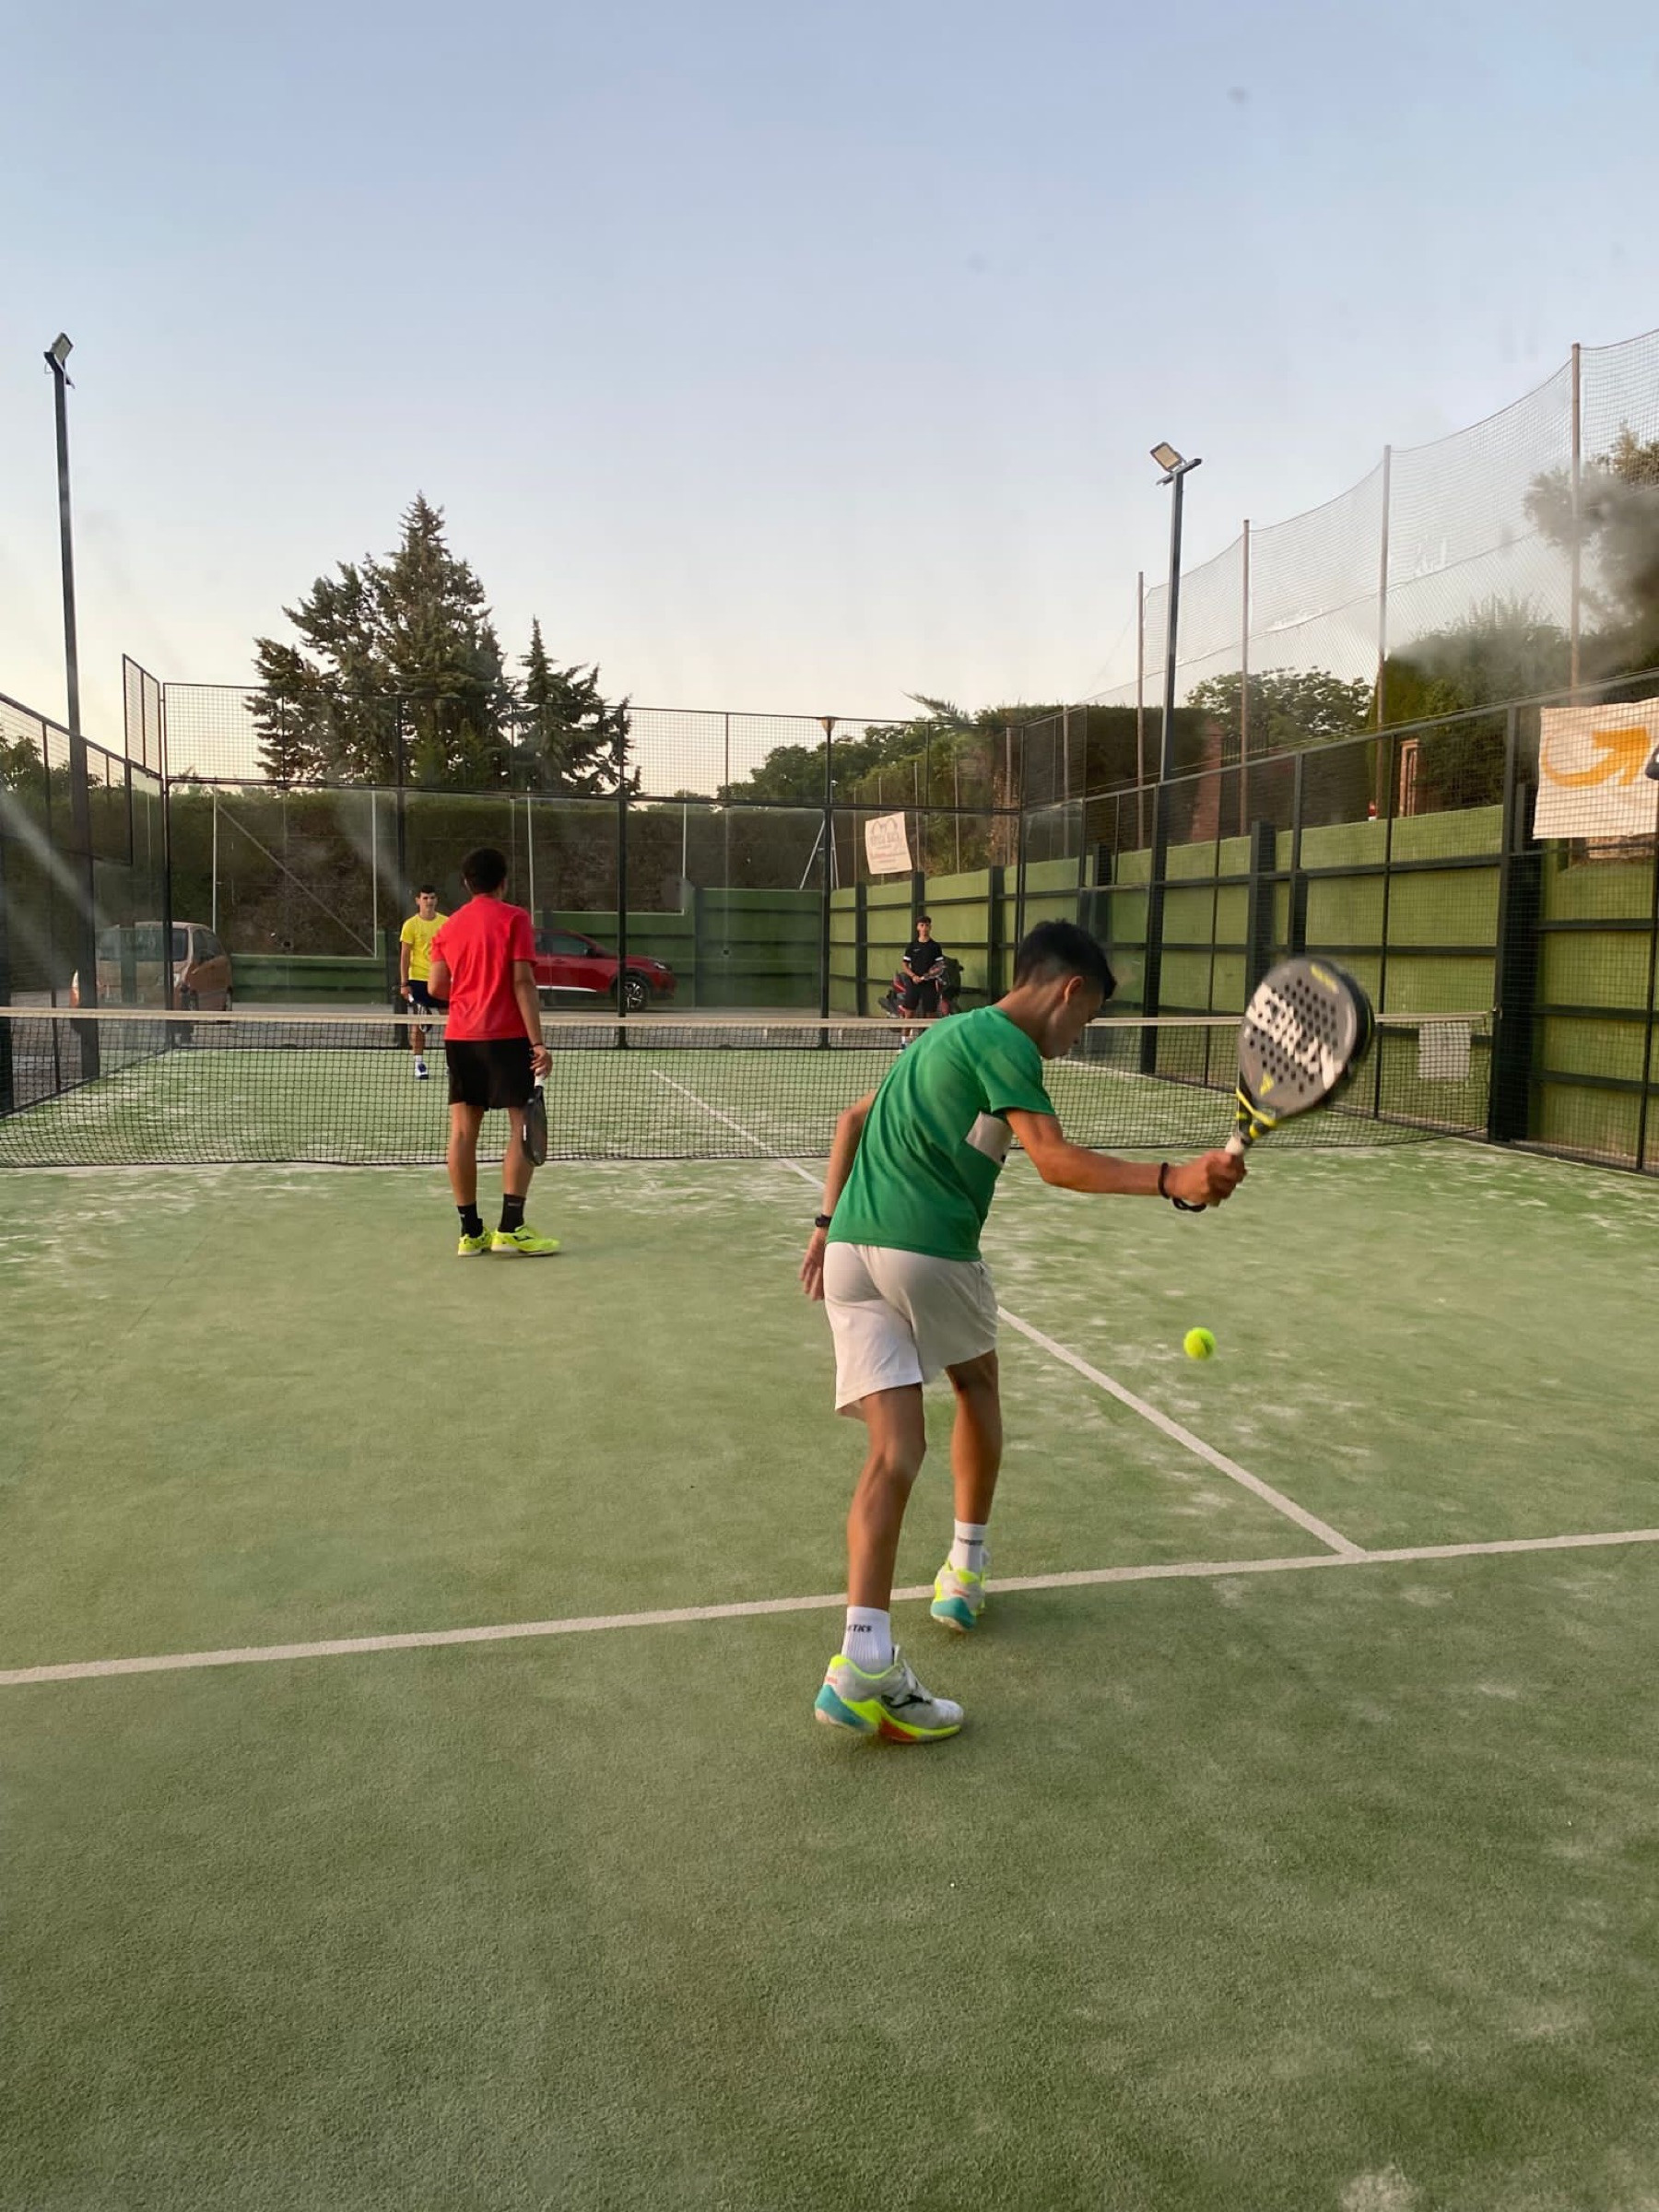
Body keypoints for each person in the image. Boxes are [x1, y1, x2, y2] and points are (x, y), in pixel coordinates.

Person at [799, 919, 1245, 1743]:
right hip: (927, 1248)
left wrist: (826, 1225)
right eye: (1087, 1018)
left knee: (893, 1453)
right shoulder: (1009, 1041)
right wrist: (1172, 1178)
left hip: (853, 1253)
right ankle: (964, 1571)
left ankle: (862, 1660)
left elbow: (849, 1122)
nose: (1077, 1039)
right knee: (977, 1386)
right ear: (1069, 990)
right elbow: (1054, 1160)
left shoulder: (940, 1035)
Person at [426, 848, 559, 1258]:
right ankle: (511, 1228)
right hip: (507, 1038)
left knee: (462, 1133)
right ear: (504, 882)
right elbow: (522, 982)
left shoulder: (448, 928)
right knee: (522, 1126)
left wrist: (470, 992)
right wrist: (538, 1043)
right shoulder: (515, 918)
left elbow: (435, 987)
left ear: (467, 883)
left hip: (461, 1038)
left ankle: (470, 1233)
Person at [398, 885, 449, 1078]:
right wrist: (404, 983)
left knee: (450, 1022)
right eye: (425, 898)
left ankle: (451, 1063)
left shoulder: (446, 923)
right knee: (419, 1023)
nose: (429, 901)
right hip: (418, 979)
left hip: (441, 979)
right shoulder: (410, 925)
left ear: (436, 900)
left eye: (432, 898)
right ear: (418, 900)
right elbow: (405, 955)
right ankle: (419, 1064)